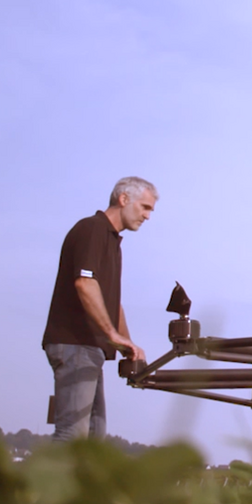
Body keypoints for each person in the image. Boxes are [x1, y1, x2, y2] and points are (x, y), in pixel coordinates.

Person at [42, 177, 157, 441]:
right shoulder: (92, 229)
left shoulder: (113, 242)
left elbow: (111, 302)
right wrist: (111, 334)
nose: (148, 216)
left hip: (90, 348)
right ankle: (49, 483)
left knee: (94, 438)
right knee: (73, 434)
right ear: (124, 199)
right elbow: (84, 283)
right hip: (75, 343)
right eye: (145, 207)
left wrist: (127, 345)